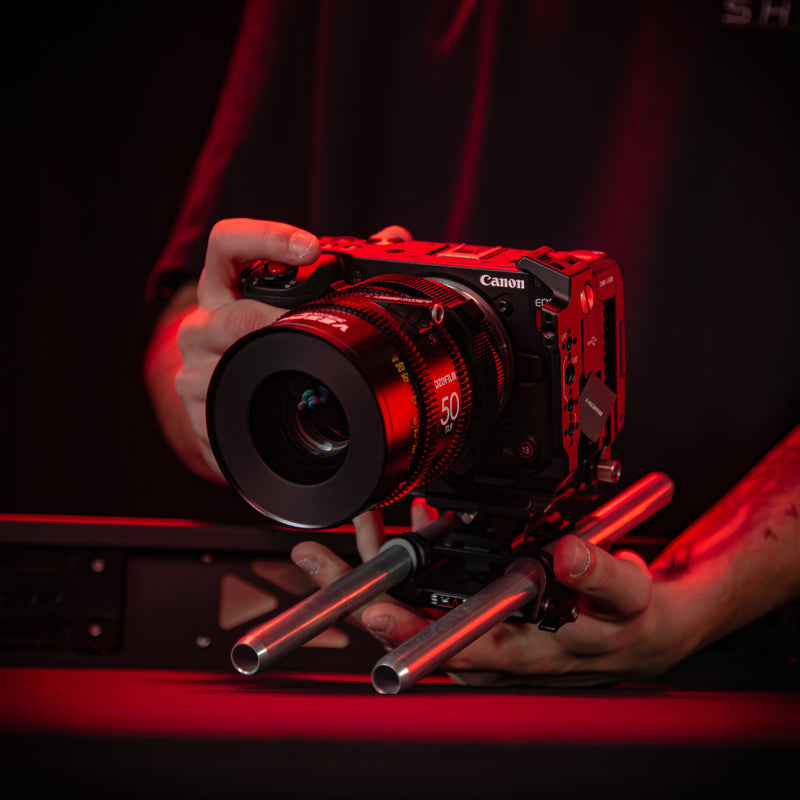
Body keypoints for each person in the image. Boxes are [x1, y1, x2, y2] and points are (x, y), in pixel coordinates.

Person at [144, 1, 800, 685]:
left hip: (732, 633)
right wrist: (218, 397)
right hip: (363, 651)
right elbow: (186, 330)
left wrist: (697, 601)